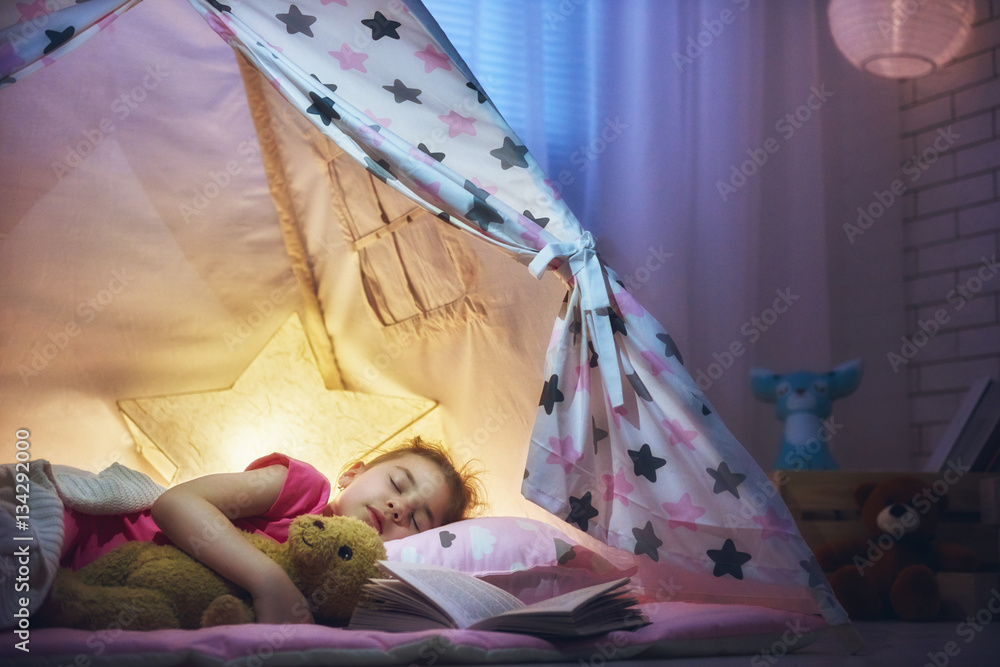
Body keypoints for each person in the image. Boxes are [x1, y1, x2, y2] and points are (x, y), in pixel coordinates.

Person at [59, 437, 484, 625]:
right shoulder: (301, 489)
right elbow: (176, 503)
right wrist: (268, 580)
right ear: (352, 474)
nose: (398, 507)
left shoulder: (342, 593)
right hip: (88, 534)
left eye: (417, 519)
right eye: (396, 484)